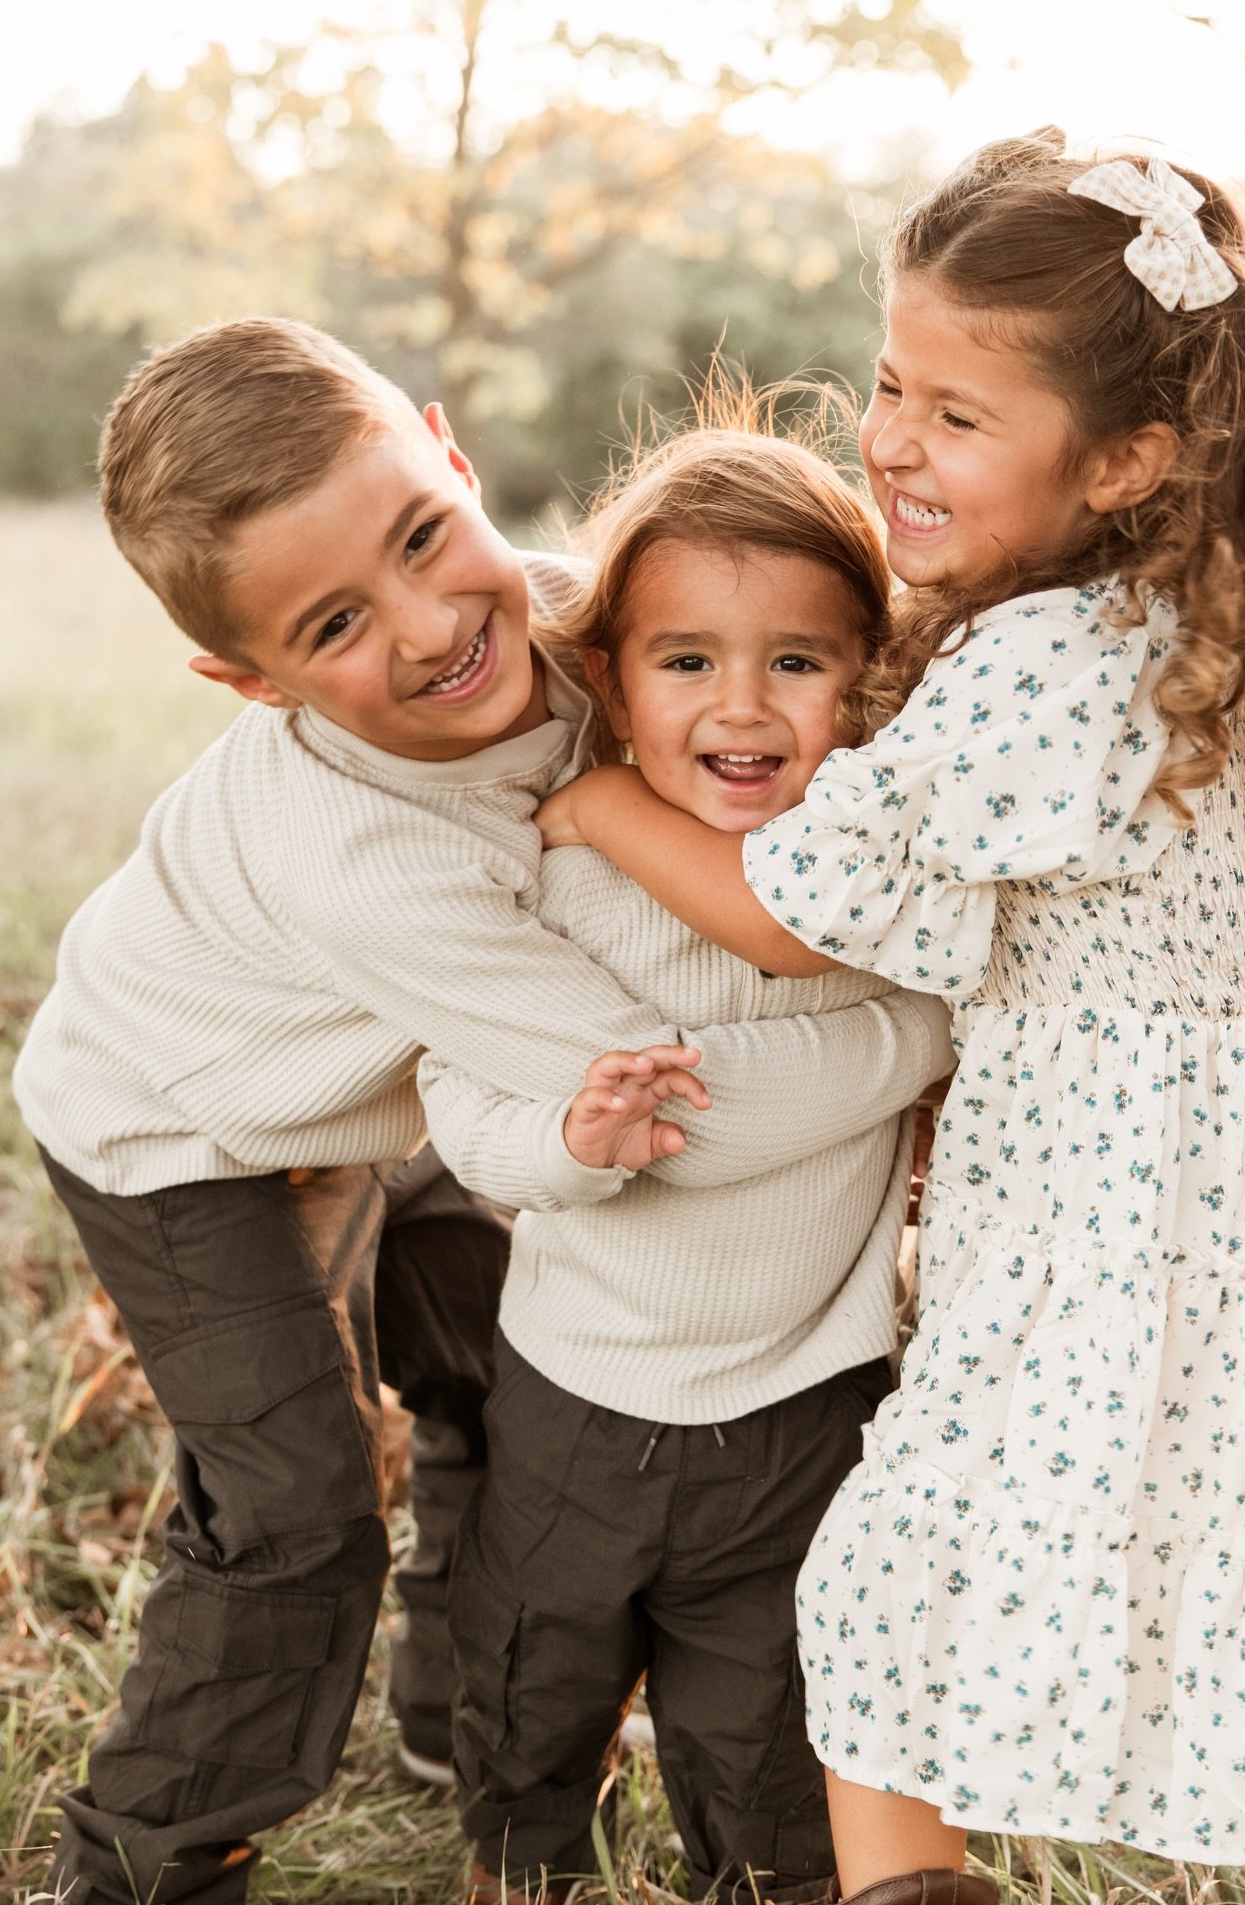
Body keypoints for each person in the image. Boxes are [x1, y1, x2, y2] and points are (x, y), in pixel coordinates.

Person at [14, 317, 951, 1905]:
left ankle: (460, 1715)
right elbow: (663, 1104)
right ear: (251, 683)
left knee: (475, 1365)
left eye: (425, 535)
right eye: (336, 622)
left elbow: (776, 657)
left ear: (451, 456)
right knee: (299, 1511)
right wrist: (932, 1039)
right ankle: (142, 1869)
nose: (438, 620)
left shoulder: (589, 620)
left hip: (396, 1083)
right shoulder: (376, 863)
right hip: (169, 1125)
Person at [534, 130, 1245, 1900]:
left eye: (957, 413)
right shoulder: (1190, 636)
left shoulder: (1040, 668)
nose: (892, 441)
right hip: (1196, 1212)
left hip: (1105, 1235)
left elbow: (789, 915)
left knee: (891, 1601)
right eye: (888, 382)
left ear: (1134, 456)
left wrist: (594, 803)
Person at [418, 416, 957, 1905]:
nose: (746, 705)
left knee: (764, 1732)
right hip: (577, 1398)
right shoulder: (568, 877)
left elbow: (911, 1038)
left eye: (798, 661)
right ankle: (519, 1873)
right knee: (533, 1688)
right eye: (687, 661)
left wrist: (690, 1109)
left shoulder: (876, 893)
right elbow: (465, 1105)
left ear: (868, 680)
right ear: (609, 675)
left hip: (802, 1403)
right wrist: (575, 1141)